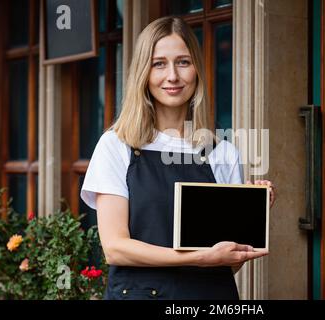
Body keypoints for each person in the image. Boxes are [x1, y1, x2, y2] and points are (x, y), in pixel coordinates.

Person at [80, 16, 276, 300]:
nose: (172, 76)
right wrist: (196, 258)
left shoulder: (222, 153)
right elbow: (115, 248)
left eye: (183, 62)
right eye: (159, 63)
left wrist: (253, 212)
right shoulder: (117, 145)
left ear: (196, 69)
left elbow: (229, 262)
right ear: (143, 74)